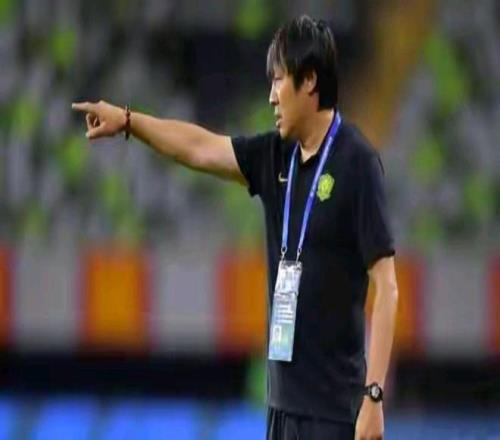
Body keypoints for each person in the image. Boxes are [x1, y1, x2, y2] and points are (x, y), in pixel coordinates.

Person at [72, 15, 398, 440]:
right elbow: (199, 148)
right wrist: (129, 121)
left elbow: (387, 287)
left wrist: (373, 396)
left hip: (335, 413)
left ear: (310, 81)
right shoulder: (275, 156)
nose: (271, 96)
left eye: (279, 80)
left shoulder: (357, 163)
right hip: (281, 409)